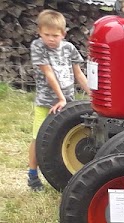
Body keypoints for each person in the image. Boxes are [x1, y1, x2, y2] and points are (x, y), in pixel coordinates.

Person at [27, 10, 89, 192]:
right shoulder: (38, 47)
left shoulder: (69, 48)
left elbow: (78, 74)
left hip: (67, 103)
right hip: (46, 102)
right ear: (39, 32)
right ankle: (32, 175)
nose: (51, 39)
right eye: (46, 34)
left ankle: (62, 172)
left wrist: (92, 94)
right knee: (39, 138)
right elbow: (49, 73)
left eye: (55, 35)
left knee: (61, 139)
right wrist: (60, 98)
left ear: (63, 34)